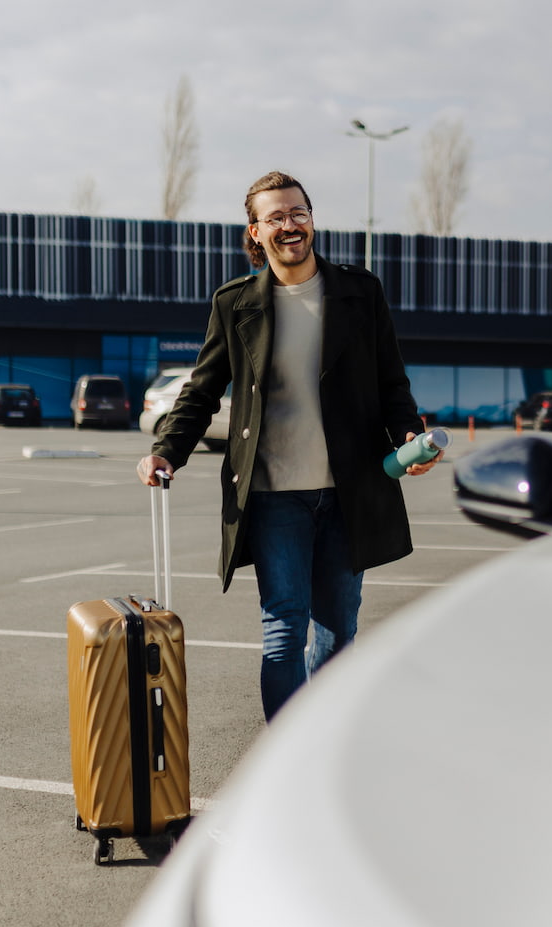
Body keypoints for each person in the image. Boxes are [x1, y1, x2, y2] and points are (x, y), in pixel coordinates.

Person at [137, 170, 441, 721]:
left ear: (312, 219)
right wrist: (167, 450)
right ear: (255, 232)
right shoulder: (236, 304)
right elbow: (202, 389)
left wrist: (409, 437)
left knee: (337, 629)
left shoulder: (359, 292)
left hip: (350, 493)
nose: (289, 224)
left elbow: (391, 382)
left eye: (297, 212)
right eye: (274, 217)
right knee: (283, 628)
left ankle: (319, 739)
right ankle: (283, 749)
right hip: (274, 496)